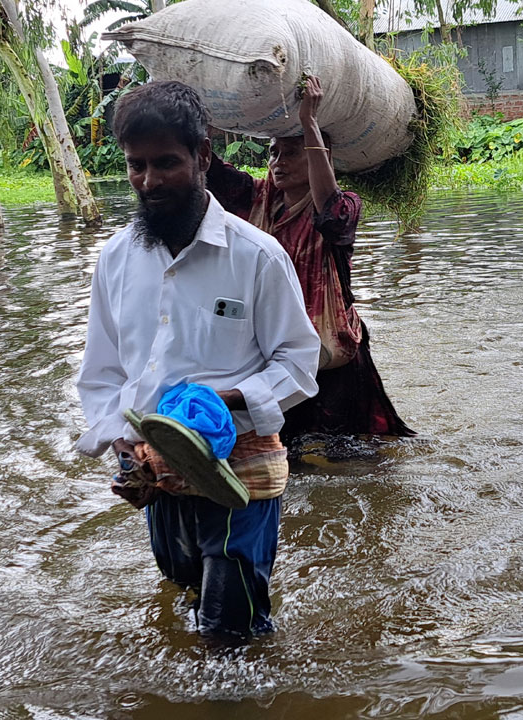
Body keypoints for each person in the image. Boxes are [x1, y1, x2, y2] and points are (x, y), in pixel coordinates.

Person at [75, 81, 321, 641]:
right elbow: (104, 372)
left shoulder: (257, 256)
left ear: (203, 155)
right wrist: (124, 448)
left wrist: (224, 401)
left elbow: (299, 362)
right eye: (136, 165)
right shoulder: (115, 259)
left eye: (166, 163)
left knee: (229, 627)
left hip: (241, 469)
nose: (149, 181)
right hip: (156, 469)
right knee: (183, 587)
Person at [206, 76, 414, 453]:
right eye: (273, 152)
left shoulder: (346, 207)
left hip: (330, 357)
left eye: (291, 152)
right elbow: (213, 174)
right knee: (287, 452)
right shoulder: (258, 200)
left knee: (348, 452)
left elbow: (329, 212)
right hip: (276, 354)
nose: (278, 162)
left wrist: (309, 122)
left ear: (320, 157)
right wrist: (203, 115)